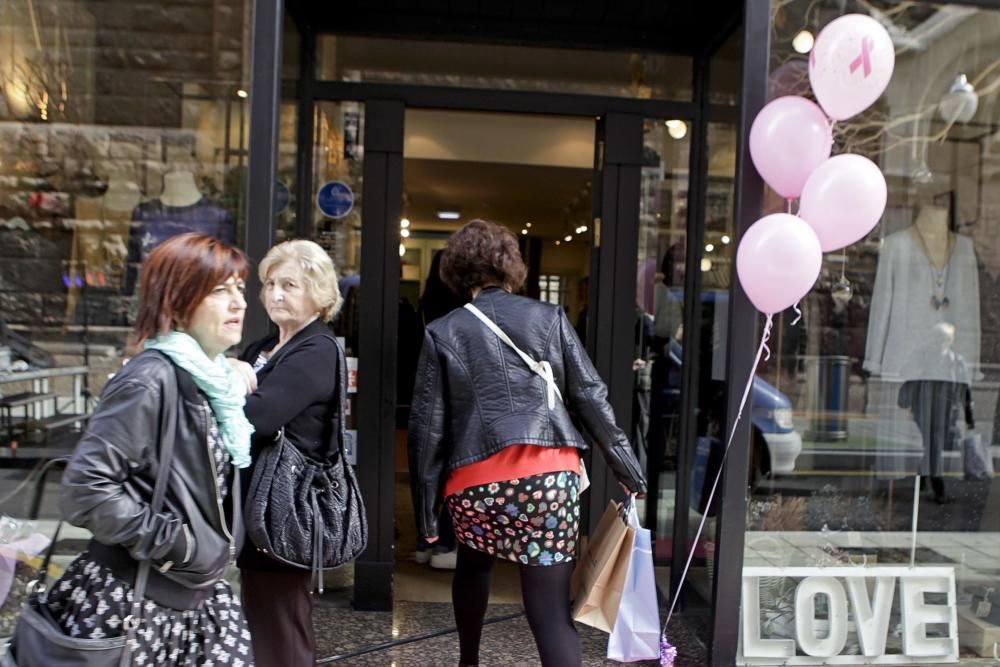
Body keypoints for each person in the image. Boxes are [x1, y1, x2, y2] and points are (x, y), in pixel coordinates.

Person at [408, 219, 647, 667]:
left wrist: (426, 515)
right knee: (551, 612)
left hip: (474, 484)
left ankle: (469, 661)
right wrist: (627, 469)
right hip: (546, 481)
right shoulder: (549, 318)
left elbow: (428, 430)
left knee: (473, 568)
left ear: (455, 272)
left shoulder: (442, 331)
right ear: (511, 267)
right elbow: (591, 396)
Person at [52, 233, 254, 665]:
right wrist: (175, 542)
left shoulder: (209, 381)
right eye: (221, 291)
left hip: (194, 600)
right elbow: (85, 490)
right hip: (134, 603)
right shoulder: (150, 379)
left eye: (239, 288)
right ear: (178, 300)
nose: (239, 302)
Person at [229, 239, 345, 667]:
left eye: (290, 285)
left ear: (318, 291)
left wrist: (226, 376)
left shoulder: (315, 349)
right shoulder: (262, 348)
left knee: (281, 622)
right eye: (270, 284)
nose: (275, 294)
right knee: (264, 618)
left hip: (286, 507)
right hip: (258, 503)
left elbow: (256, 417)